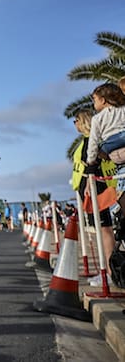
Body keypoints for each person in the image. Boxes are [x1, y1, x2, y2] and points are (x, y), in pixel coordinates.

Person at [72, 108, 117, 287]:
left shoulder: (91, 142)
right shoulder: (89, 141)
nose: (74, 124)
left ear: (83, 121)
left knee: (104, 231)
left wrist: (89, 188)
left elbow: (92, 167)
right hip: (95, 190)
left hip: (98, 190)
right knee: (102, 231)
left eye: (76, 120)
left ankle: (109, 272)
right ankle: (107, 271)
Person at [86, 82, 125, 167]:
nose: (94, 103)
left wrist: (91, 160)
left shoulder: (97, 118)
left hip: (110, 148)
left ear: (103, 100)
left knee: (101, 148)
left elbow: (93, 141)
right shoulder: (123, 109)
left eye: (95, 100)